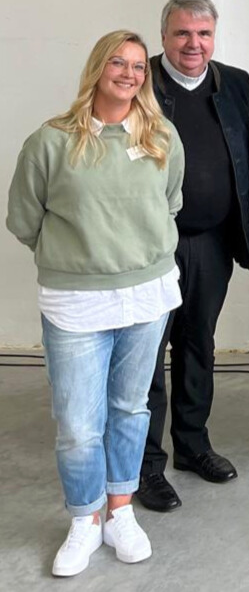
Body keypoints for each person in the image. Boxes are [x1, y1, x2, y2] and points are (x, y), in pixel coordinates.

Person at [7, 30, 183, 577]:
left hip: (147, 295)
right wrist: (76, 257)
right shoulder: (52, 141)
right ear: (96, 68)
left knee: (130, 409)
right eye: (117, 62)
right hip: (75, 302)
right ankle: (84, 520)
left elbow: (169, 203)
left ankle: (120, 511)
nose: (129, 73)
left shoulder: (161, 136)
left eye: (137, 65)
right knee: (80, 424)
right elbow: (23, 219)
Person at [137, 0, 249, 513]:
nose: (194, 45)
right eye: (183, 34)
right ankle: (144, 467)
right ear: (164, 37)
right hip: (150, 246)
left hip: (212, 243)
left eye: (204, 34)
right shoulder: (141, 83)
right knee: (144, 359)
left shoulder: (235, 82)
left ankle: (192, 445)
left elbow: (240, 155)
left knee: (197, 347)